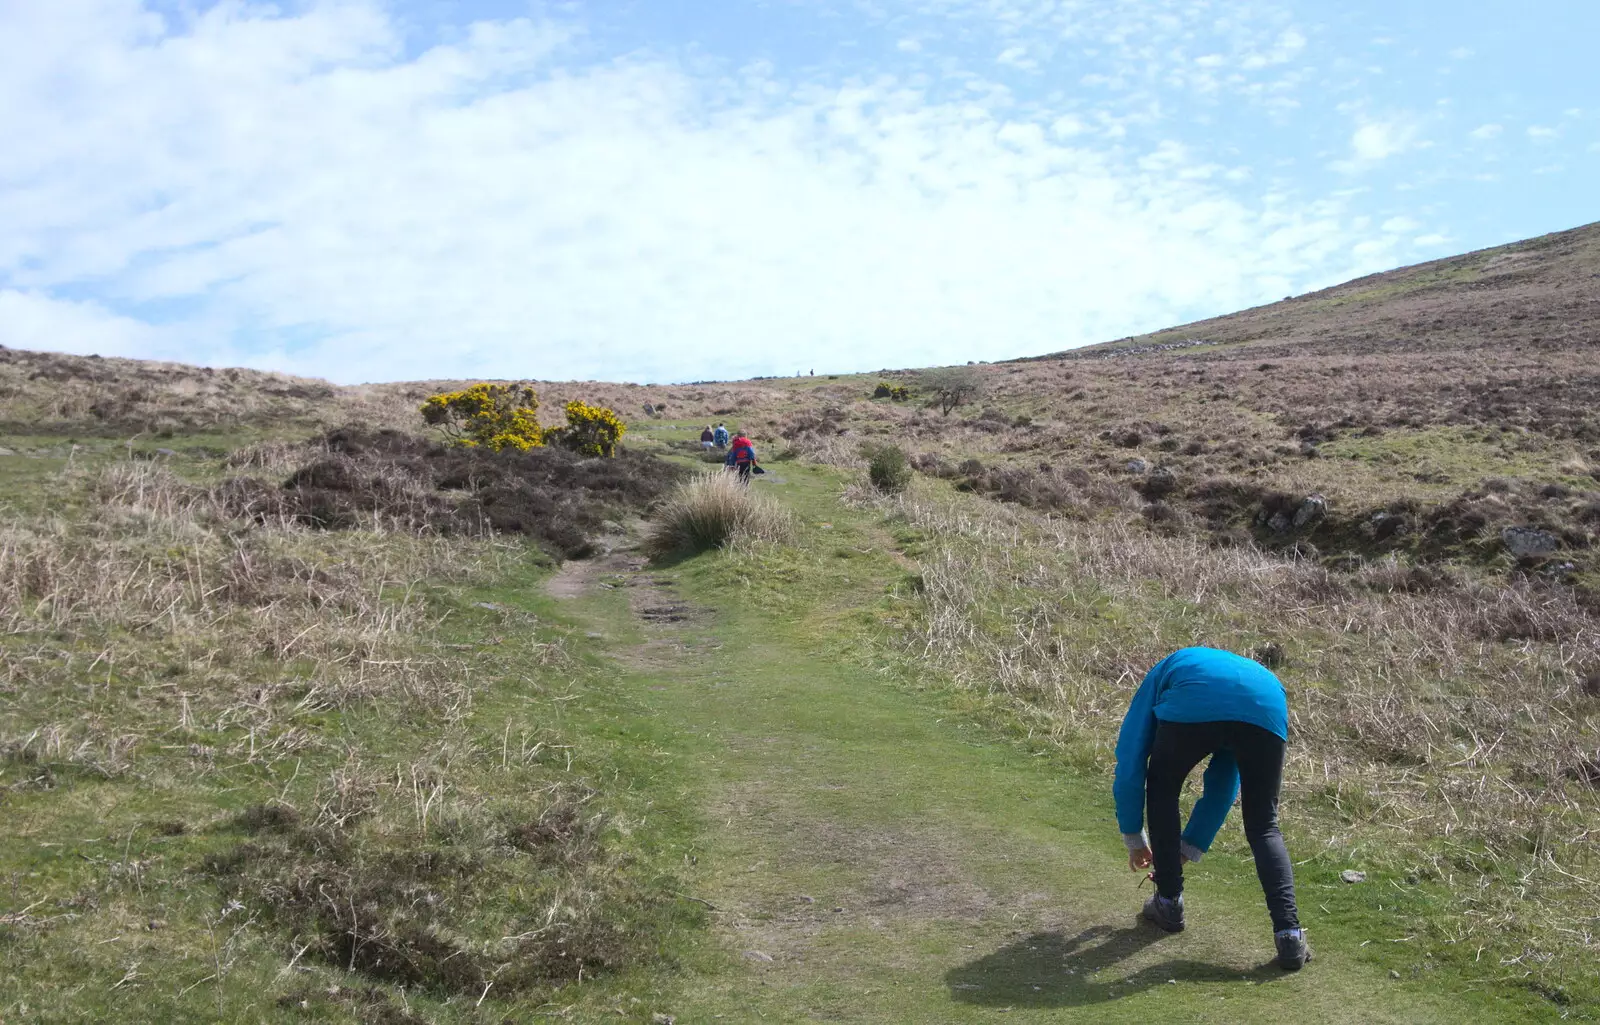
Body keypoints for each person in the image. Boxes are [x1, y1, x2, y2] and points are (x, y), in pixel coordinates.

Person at [1113, 646, 1311, 971]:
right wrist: (1187, 849)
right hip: (1266, 705)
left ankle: (1169, 902)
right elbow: (1222, 783)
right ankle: (1289, 936)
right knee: (1263, 826)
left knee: (1163, 790)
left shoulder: (1165, 672)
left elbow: (1132, 756)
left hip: (1200, 699)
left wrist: (1135, 838)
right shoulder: (1247, 677)